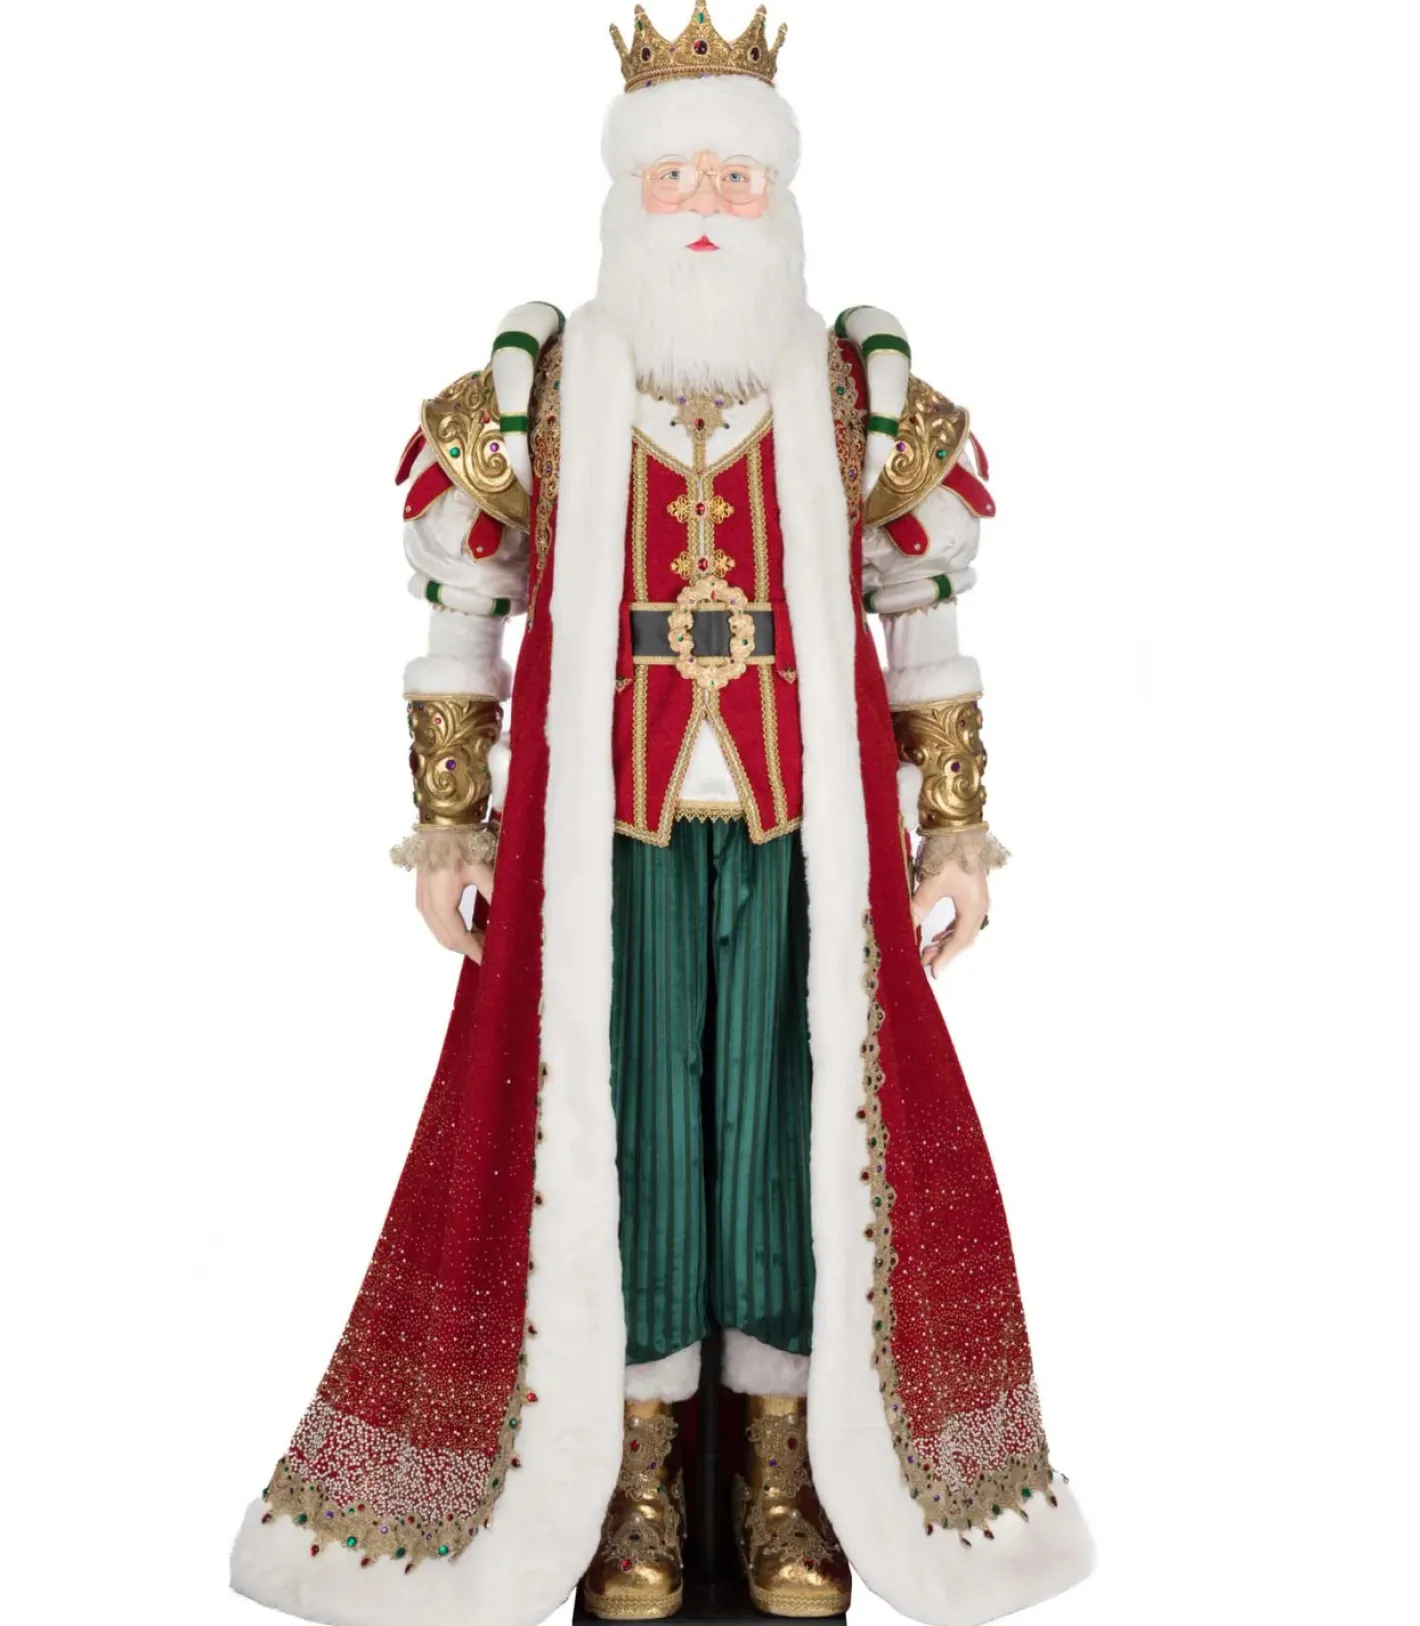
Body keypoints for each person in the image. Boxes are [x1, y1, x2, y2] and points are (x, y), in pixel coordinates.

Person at [230, 7, 1094, 1623]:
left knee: (784, 1137)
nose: (705, 200)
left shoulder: (858, 395)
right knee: (625, 1136)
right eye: (675, 172)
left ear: (781, 194)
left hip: (796, 839)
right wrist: (451, 822)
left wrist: (958, 828)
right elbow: (461, 605)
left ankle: (779, 1473)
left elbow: (925, 613)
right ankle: (630, 1475)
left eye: (735, 175)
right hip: (608, 841)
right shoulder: (542, 389)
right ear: (627, 194)